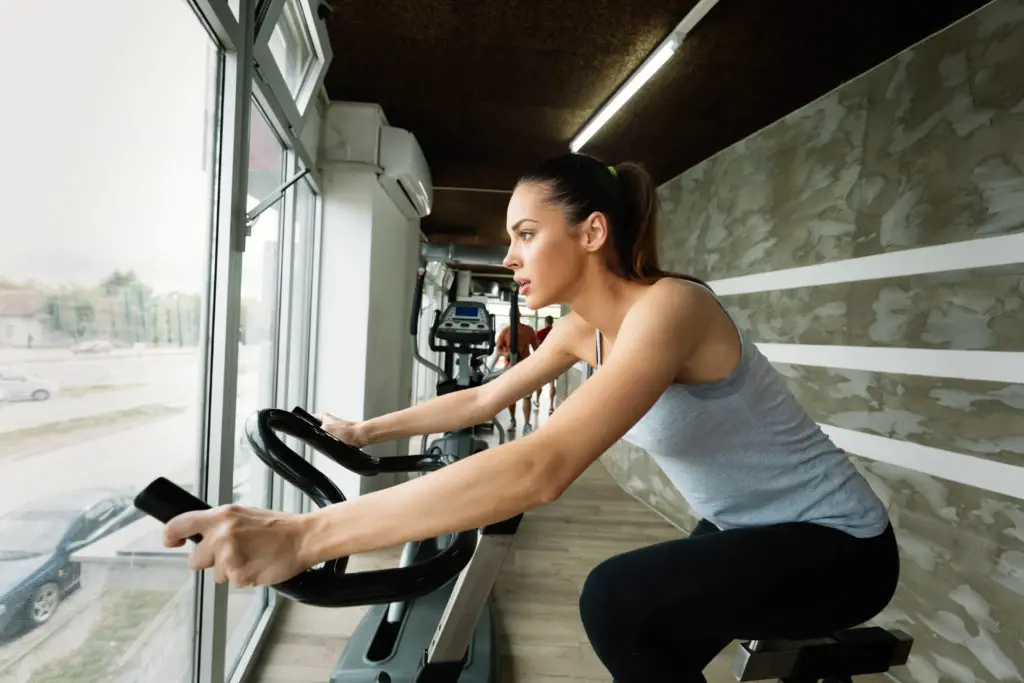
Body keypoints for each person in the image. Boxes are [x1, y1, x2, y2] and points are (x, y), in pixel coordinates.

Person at [163, 153, 900, 683]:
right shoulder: (586, 327)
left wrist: (306, 531)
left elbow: (542, 467)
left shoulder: (673, 308)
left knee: (617, 601)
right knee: (652, 634)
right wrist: (363, 431)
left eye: (524, 233)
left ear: (591, 233)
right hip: (748, 528)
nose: (511, 255)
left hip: (842, 542)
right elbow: (484, 400)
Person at [495, 320, 538, 432]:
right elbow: (498, 350)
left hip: (525, 368)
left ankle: (527, 424)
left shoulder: (528, 330)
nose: (514, 315)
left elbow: (537, 349)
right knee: (510, 398)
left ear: (519, 315)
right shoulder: (505, 331)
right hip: (510, 368)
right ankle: (513, 420)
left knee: (527, 396)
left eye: (516, 313)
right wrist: (506, 354)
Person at [532, 315, 556, 413]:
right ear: (552, 322)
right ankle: (551, 406)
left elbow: (537, 348)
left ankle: (537, 401)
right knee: (552, 384)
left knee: (539, 383)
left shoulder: (540, 333)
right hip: (554, 360)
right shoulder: (556, 332)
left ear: (545, 322)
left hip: (542, 360)